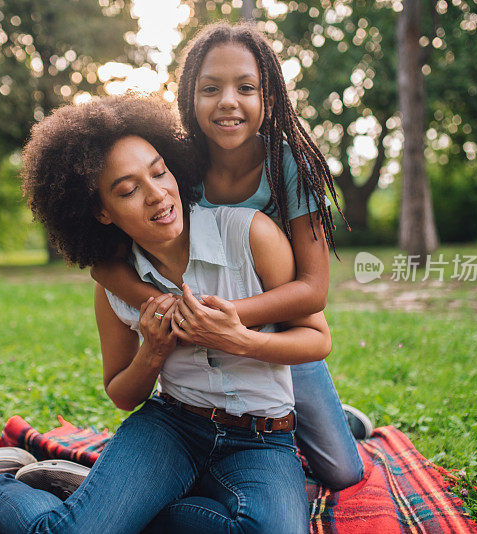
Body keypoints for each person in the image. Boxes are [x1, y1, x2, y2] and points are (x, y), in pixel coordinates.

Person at [0, 96, 332, 534]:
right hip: (172, 428)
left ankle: (107, 503)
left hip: (262, 439)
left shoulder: (251, 235)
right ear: (101, 211)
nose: (157, 194)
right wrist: (152, 353)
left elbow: (316, 339)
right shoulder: (114, 284)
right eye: (128, 189)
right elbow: (122, 393)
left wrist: (242, 339)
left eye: (159, 171)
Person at [91, 22, 368, 490]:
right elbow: (105, 266)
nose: (228, 102)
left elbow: (314, 291)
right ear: (188, 97)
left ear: (269, 98)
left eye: (246, 88)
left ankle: (337, 421)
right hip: (202, 349)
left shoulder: (291, 165)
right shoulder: (176, 164)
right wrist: (179, 313)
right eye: (210, 88)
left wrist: (229, 321)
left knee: (342, 472)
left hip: (279, 331)